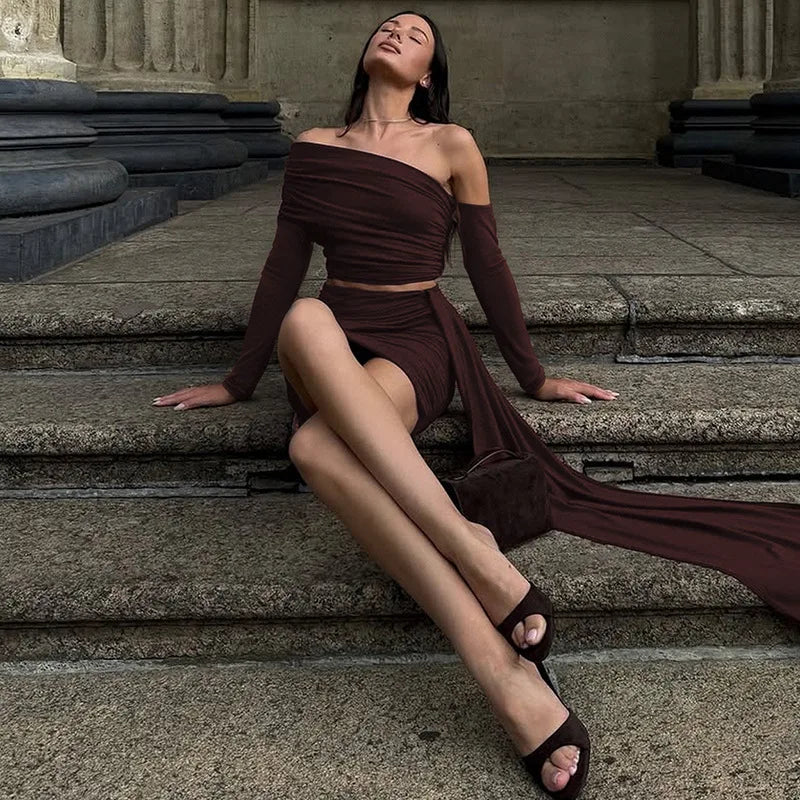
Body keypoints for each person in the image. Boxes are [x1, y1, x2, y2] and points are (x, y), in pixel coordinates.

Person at [153, 11, 800, 799]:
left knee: (314, 448)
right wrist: (237, 381)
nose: (396, 31)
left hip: (415, 340)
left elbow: (488, 264)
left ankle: (500, 671)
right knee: (305, 315)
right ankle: (473, 549)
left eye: (415, 32)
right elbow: (282, 266)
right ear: (366, 52)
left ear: (427, 73)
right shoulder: (314, 147)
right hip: (330, 341)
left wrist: (533, 374)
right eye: (388, 24)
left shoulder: (451, 144)